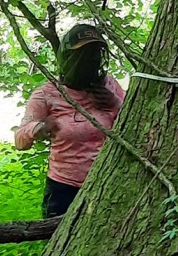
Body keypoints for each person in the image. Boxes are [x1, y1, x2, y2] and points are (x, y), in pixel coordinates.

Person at [15, 24, 125, 217]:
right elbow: (19, 141)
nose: (90, 61)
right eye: (83, 55)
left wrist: (113, 102)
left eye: (94, 54)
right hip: (64, 189)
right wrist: (38, 128)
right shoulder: (47, 93)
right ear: (68, 57)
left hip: (107, 182)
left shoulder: (110, 85)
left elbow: (133, 122)